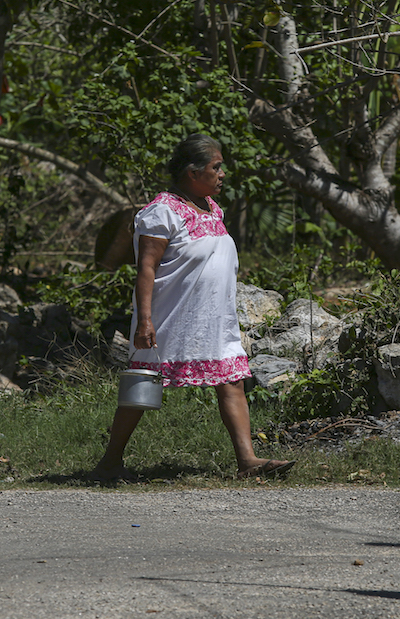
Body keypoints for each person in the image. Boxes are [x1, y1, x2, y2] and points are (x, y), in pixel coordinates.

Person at [91, 133, 295, 482]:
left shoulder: (213, 208)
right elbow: (146, 269)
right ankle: (110, 462)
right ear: (192, 172)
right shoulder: (161, 212)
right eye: (216, 167)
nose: (222, 174)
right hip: (170, 318)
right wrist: (144, 320)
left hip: (214, 320)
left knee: (232, 381)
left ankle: (247, 460)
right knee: (144, 384)